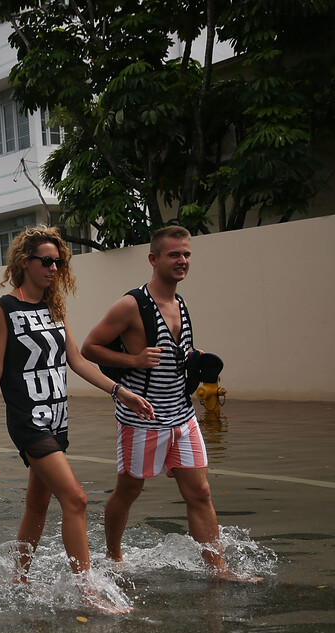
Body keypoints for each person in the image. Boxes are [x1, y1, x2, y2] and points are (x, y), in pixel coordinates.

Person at [0, 225, 155, 613]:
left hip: (57, 419)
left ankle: (18, 579)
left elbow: (77, 360)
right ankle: (87, 594)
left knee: (38, 506)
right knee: (76, 499)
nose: (54, 268)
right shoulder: (6, 308)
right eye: (47, 261)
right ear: (25, 263)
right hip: (29, 421)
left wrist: (120, 391)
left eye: (59, 262)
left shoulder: (54, 308)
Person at [81, 225, 245, 580]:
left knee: (200, 492)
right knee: (129, 489)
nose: (182, 260)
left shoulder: (180, 304)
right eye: (174, 254)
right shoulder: (131, 305)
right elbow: (89, 348)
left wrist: (193, 358)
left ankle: (218, 569)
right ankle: (113, 556)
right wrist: (135, 360)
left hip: (182, 417)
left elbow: (174, 355)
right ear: (154, 259)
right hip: (141, 418)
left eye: (186, 254)